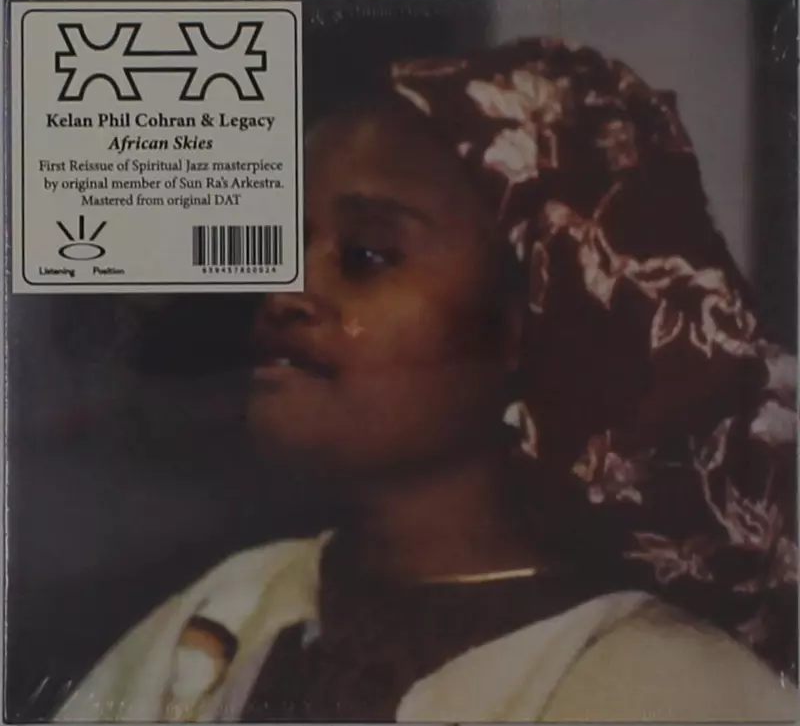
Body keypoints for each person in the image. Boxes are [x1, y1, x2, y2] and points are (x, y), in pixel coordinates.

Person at [55, 38, 797, 722]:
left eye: (366, 255)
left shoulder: (670, 686)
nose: (285, 292)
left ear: (535, 320)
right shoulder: (226, 611)